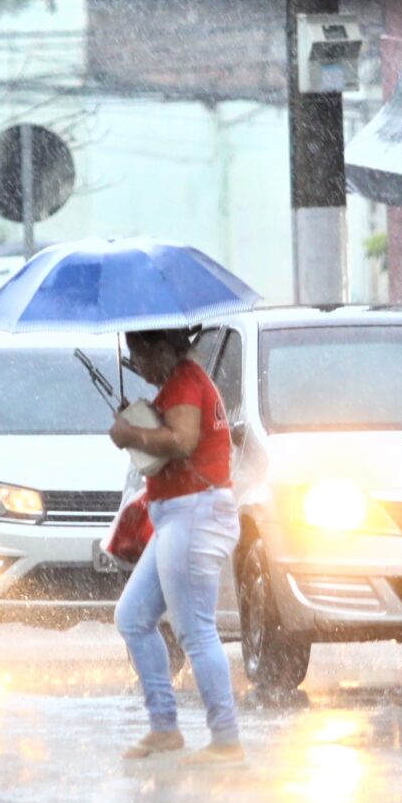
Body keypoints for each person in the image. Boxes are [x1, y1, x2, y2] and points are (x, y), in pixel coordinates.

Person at [107, 327, 242, 765]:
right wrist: (142, 420)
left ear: (161, 347)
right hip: (177, 516)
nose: (137, 366)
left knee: (196, 630)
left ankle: (226, 739)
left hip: (194, 515)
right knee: (132, 616)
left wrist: (132, 436)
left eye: (139, 354)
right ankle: (164, 727)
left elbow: (182, 440)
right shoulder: (179, 384)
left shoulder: (185, 380)